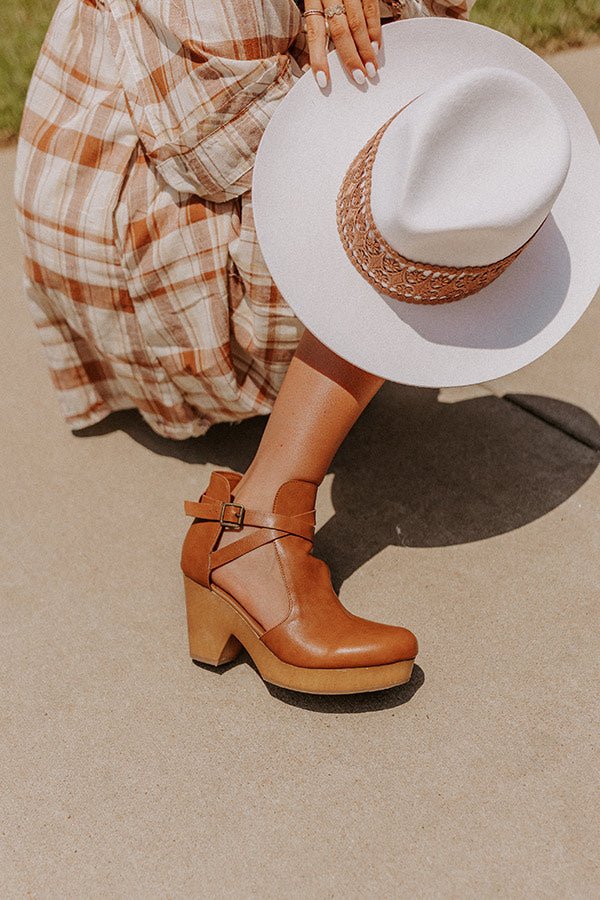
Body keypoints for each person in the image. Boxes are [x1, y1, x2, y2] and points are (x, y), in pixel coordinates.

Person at [14, 0, 475, 694]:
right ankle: (252, 530)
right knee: (415, 195)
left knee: (476, 147)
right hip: (147, 240)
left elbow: (444, 34)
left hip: (223, 169)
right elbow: (219, 152)